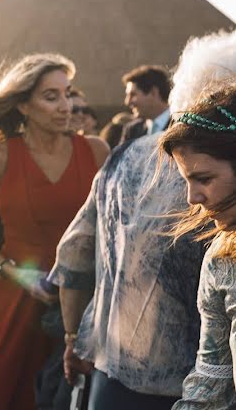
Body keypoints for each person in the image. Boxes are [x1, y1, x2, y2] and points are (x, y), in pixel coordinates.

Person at [51, 30, 236, 409]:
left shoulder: (122, 159)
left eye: (203, 180)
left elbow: (74, 253)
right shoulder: (219, 239)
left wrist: (75, 339)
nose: (193, 198)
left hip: (119, 370)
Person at [0, 53, 109, 410]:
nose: (66, 106)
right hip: (14, 299)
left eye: (68, 93)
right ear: (24, 106)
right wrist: (16, 273)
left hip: (83, 304)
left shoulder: (96, 150)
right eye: (51, 96)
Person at [161, 80, 236, 410]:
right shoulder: (221, 259)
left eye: (203, 179)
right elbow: (210, 383)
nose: (193, 198)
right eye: (187, 181)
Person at [119, 64, 172, 143]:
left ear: (153, 93)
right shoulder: (132, 131)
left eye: (133, 95)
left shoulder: (180, 126)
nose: (127, 102)